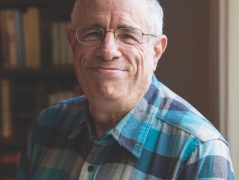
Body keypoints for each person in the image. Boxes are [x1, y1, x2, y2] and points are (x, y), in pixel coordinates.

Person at [16, 0, 235, 179]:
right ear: (73, 44)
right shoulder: (46, 126)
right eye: (93, 32)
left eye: (128, 35)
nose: (107, 51)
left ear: (156, 52)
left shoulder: (198, 151)